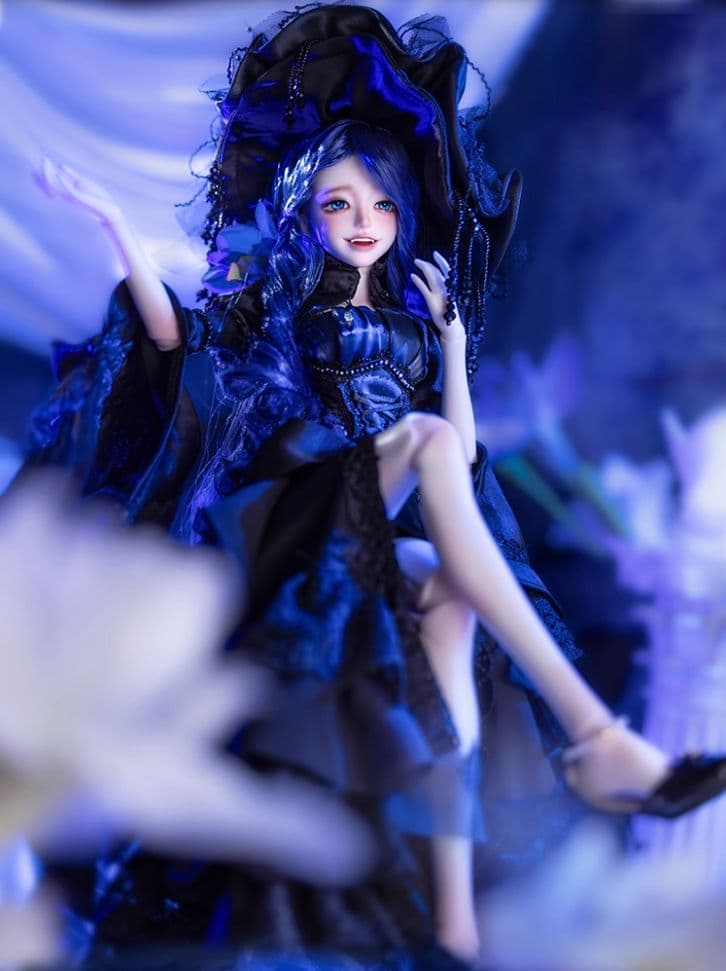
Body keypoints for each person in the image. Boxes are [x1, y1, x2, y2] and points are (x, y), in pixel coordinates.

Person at [26, 4, 726, 964]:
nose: (365, 224)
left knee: (451, 609)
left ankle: (455, 918)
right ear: (305, 212)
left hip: (391, 514)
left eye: (382, 207)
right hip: (300, 507)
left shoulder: (415, 319)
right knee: (427, 444)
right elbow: (170, 338)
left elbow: (465, 458)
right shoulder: (273, 309)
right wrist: (115, 228)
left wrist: (451, 345)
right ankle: (596, 733)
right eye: (340, 206)